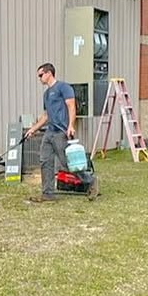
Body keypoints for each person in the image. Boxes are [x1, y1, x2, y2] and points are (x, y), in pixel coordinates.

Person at [25, 62, 96, 201]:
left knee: (67, 163)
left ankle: (91, 181)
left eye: (41, 75)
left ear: (49, 73)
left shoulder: (63, 87)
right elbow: (46, 115)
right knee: (45, 161)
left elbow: (71, 106)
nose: (39, 78)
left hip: (61, 132)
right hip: (49, 132)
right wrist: (33, 129)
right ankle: (47, 193)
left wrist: (71, 126)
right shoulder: (46, 94)